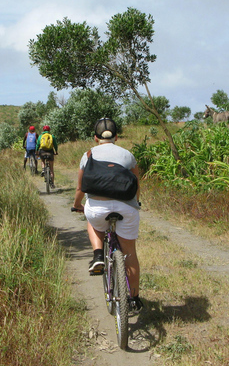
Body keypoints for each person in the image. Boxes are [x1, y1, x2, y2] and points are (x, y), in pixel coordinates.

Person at [72, 117, 143, 313]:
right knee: (130, 253)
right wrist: (135, 203)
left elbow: (80, 187)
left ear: (95, 138)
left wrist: (77, 205)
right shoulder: (128, 155)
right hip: (126, 208)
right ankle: (134, 298)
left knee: (93, 222)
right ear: (117, 137)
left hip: (97, 209)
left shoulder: (88, 155)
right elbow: (136, 183)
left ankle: (97, 256)